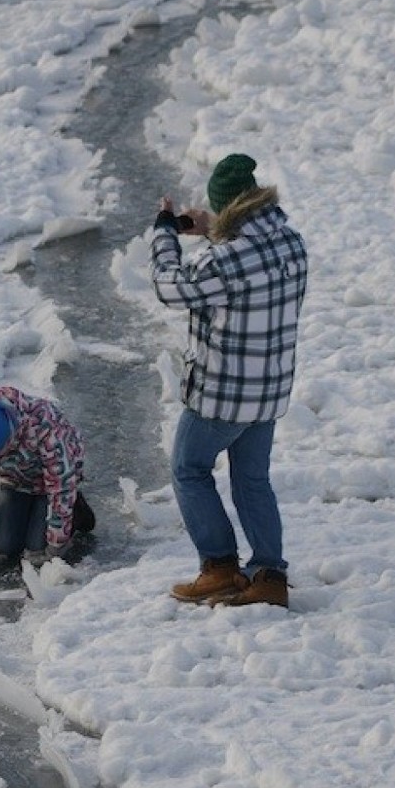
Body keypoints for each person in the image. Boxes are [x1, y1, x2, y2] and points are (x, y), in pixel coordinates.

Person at [150, 153, 307, 607]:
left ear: (227, 208)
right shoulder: (291, 242)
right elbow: (245, 272)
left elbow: (169, 285)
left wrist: (165, 230)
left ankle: (219, 567)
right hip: (270, 391)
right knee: (252, 479)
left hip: (222, 395)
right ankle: (269, 577)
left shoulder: (225, 262)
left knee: (189, 469)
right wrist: (214, 231)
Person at [0, 386, 95, 564]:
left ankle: (76, 510)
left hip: (53, 482)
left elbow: (61, 487)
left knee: (37, 550)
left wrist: (57, 544)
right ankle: (30, 510)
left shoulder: (45, 425)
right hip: (15, 480)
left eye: (1, 450)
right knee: (6, 547)